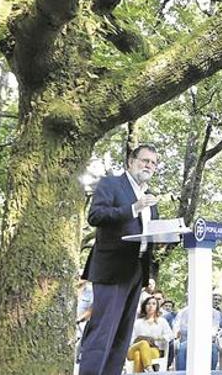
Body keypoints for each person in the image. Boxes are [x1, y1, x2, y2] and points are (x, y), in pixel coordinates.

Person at [78, 144, 161, 375]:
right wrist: (133, 208)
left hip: (137, 271)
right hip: (112, 268)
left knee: (122, 336)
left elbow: (150, 233)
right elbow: (96, 216)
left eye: (153, 163)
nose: (149, 166)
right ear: (131, 161)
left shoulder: (149, 198)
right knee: (103, 331)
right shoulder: (111, 184)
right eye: (145, 160)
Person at [174, 292, 222, 370]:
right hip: (188, 340)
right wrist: (198, 333)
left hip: (207, 341)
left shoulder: (215, 313)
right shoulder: (185, 311)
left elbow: (214, 329)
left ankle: (211, 372)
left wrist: (203, 335)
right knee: (182, 348)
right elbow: (183, 329)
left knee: (214, 349)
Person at [126, 295, 173, 372]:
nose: (151, 306)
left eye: (154, 304)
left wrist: (157, 338)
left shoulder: (162, 321)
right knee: (143, 343)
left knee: (138, 355)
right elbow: (130, 339)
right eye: (148, 304)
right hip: (134, 349)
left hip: (154, 350)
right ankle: (150, 370)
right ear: (144, 306)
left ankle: (145, 370)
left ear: (157, 307)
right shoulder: (138, 322)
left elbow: (170, 335)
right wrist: (141, 339)